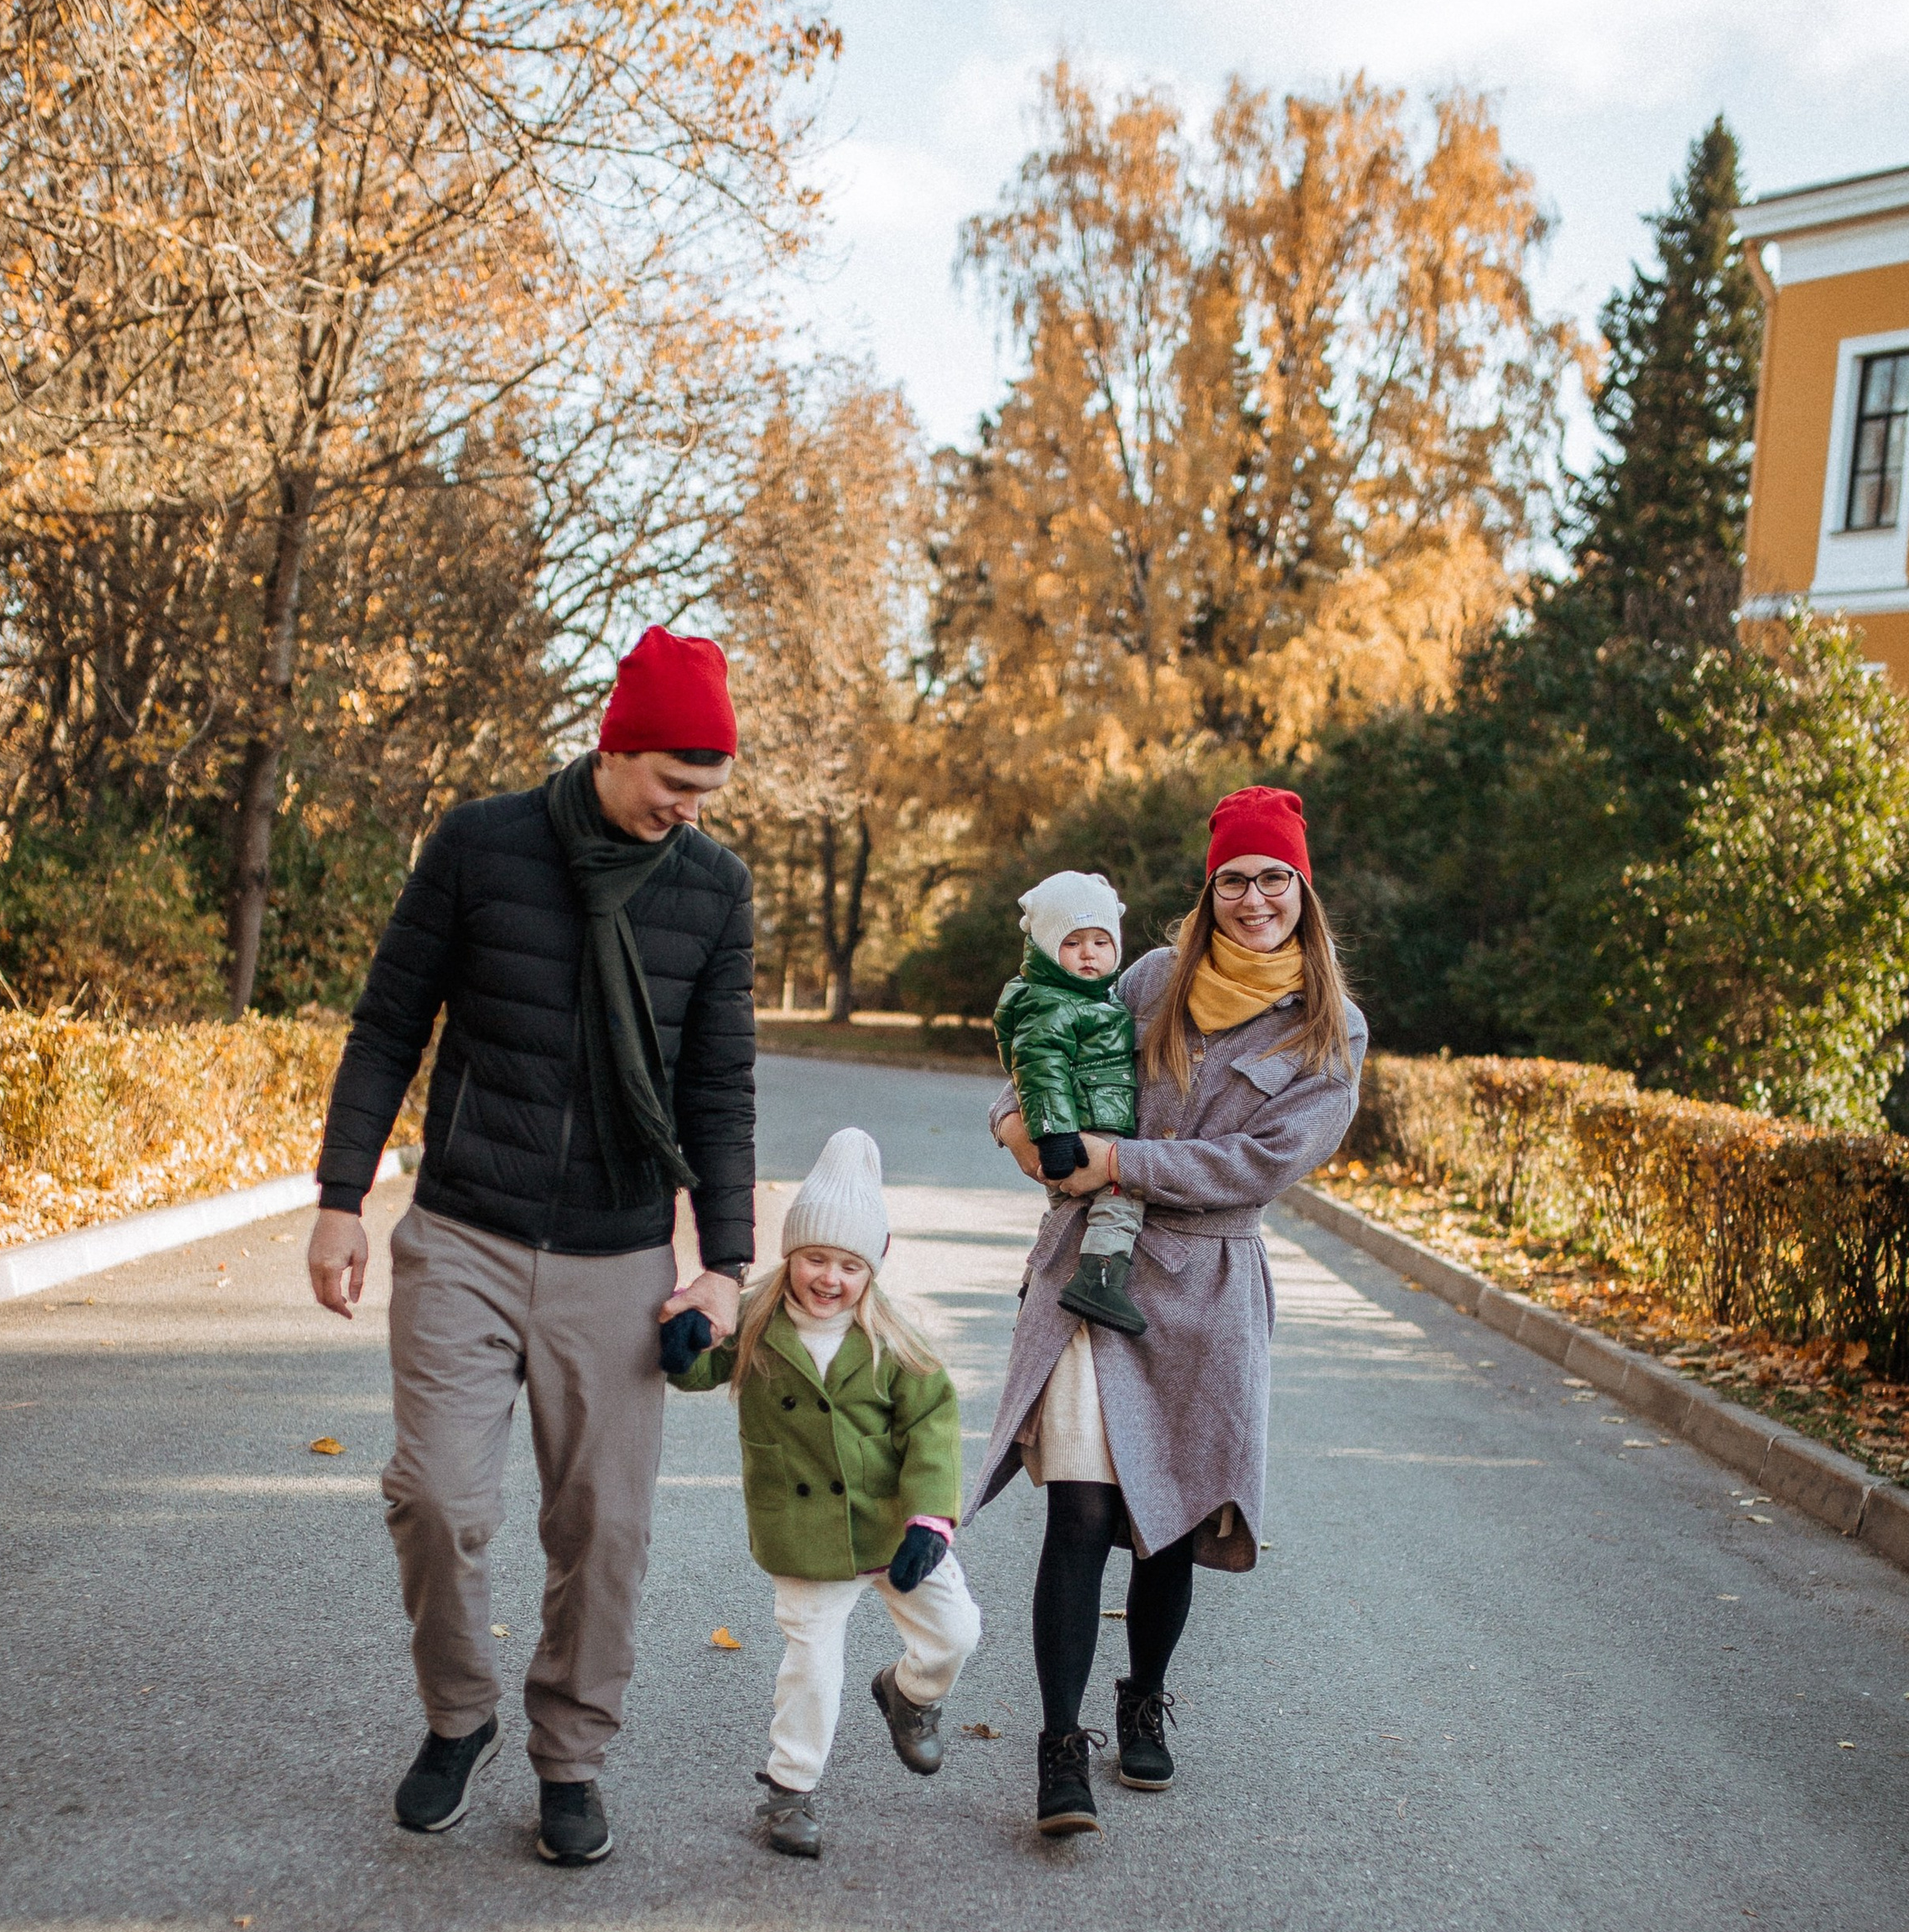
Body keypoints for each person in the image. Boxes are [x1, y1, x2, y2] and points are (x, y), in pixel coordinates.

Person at [306, 623, 757, 1867]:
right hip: (463, 1231)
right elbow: (390, 1020)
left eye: (707, 794)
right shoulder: (481, 845)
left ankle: (571, 1754)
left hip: (619, 1253)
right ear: (617, 746)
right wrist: (345, 1192)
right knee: (438, 1498)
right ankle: (459, 1719)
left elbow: (719, 1087)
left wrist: (725, 1262)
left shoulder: (712, 891)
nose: (687, 812)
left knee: (603, 1524)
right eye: (674, 784)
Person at [969, 784, 1365, 1839]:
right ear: (1209, 888)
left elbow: (1257, 1165)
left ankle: (1142, 1693)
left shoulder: (1329, 1030)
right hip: (1095, 1278)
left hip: (1208, 1290)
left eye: (1272, 877)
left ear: (1301, 889)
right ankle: (1060, 1750)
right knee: (1083, 1510)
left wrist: (1118, 1160)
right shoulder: (1151, 978)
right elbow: (1043, 1033)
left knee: (1170, 1524)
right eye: (1233, 878)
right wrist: (1013, 1122)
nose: (1252, 898)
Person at [668, 1127, 979, 1862]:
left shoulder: (895, 1340)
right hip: (804, 1530)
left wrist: (930, 1519)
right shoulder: (754, 1318)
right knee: (813, 1666)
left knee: (956, 1631)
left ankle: (909, 1694)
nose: (828, 1277)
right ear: (790, 1254)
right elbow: (700, 1370)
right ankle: (790, 1788)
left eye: (848, 1263)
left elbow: (934, 1426)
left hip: (891, 1525)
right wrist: (682, 1351)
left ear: (871, 1268)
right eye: (814, 1257)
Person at [993, 871, 1148, 1338]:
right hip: (1083, 1126)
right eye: (1073, 942)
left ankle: (1034, 1283)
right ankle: (1098, 1279)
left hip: (1085, 1119)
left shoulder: (1094, 998)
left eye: (1101, 942)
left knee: (1065, 1211)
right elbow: (1040, 1069)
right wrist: (1056, 1134)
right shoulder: (1054, 1003)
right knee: (1124, 1197)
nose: (1088, 953)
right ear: (1044, 949)